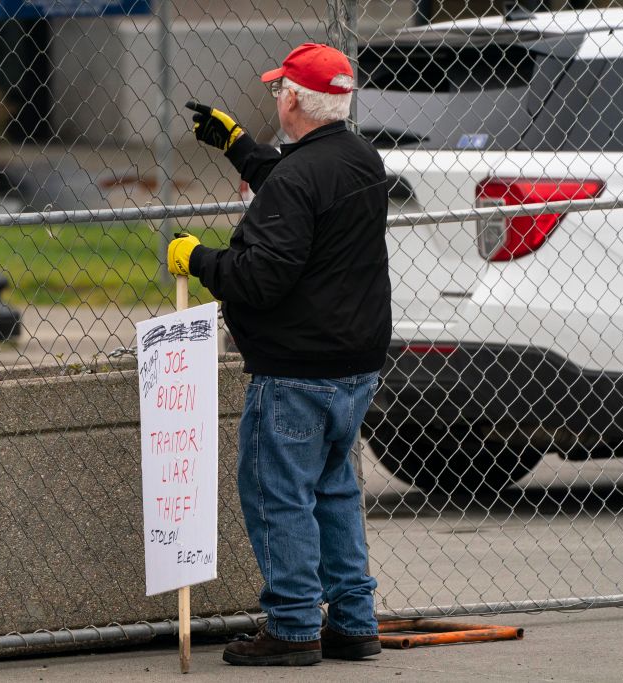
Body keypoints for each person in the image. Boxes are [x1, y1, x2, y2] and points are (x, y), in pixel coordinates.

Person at [167, 42, 391, 666]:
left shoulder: (300, 177)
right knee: (333, 488)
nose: (275, 98)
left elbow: (261, 277)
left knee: (278, 492)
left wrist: (199, 258)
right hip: (354, 364)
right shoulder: (361, 158)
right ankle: (353, 620)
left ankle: (293, 627)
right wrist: (239, 145)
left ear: (294, 98)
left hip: (296, 370)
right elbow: (303, 186)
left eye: (278, 90)